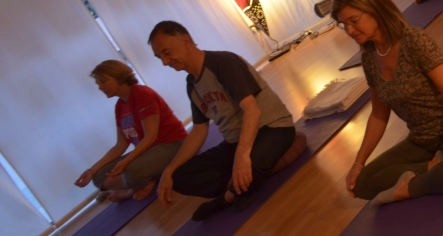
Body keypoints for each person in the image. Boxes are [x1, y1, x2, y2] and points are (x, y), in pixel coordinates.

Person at [334, 0, 443, 204]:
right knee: (361, 183)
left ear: (375, 9)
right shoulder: (369, 58)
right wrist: (358, 163)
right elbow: (378, 115)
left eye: (353, 21)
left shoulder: (414, 40)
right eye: (343, 24)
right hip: (421, 138)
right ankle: (431, 166)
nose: (349, 30)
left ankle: (410, 187)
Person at [149, 21, 295, 221]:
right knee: (178, 176)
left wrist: (242, 157)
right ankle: (241, 184)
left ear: (186, 40)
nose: (165, 62)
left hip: (272, 128)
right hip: (235, 143)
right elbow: (199, 129)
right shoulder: (191, 85)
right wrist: (169, 170)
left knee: (252, 162)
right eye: (160, 58)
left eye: (167, 53)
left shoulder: (223, 63)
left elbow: (252, 110)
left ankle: (227, 197)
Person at [74, 60, 187, 202]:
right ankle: (148, 178)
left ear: (119, 76)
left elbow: (151, 135)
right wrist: (91, 171)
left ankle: (134, 187)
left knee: (131, 170)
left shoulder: (142, 94)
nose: (100, 87)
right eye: (98, 83)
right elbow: (120, 145)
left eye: (104, 81)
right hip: (148, 151)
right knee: (99, 177)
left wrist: (127, 162)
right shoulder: (119, 106)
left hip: (173, 145)